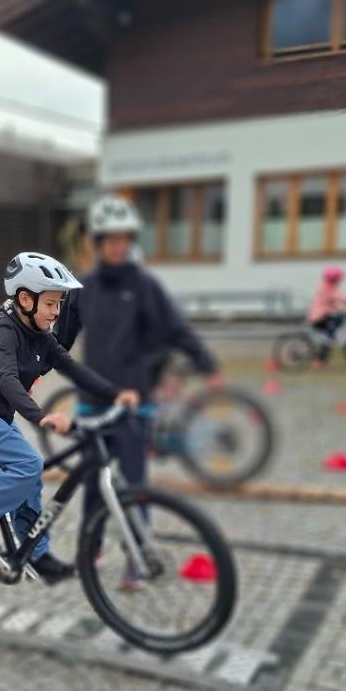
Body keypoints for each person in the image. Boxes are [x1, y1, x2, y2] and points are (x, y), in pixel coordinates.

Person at [52, 193, 223, 587]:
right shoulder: (83, 287)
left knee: (133, 485)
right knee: (93, 483)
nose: (118, 246)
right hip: (92, 402)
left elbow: (177, 328)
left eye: (124, 239)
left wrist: (206, 364)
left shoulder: (144, 285)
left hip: (132, 404)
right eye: (110, 239)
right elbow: (59, 339)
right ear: (98, 242)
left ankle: (137, 557)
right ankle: (91, 548)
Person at [0, 251, 139, 584]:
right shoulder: (5, 331)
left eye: (59, 304)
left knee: (32, 476)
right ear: (25, 299)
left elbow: (72, 368)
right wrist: (40, 417)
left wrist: (114, 394)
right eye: (51, 304)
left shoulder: (40, 334)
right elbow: (6, 379)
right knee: (28, 465)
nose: (56, 312)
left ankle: (35, 555)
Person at [307, 265, 346, 362]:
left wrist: (340, 309)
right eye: (338, 279)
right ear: (334, 279)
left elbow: (331, 303)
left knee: (332, 331)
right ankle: (320, 357)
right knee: (331, 334)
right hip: (319, 317)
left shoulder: (324, 286)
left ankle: (322, 354)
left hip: (319, 315)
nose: (339, 281)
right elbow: (342, 298)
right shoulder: (329, 288)